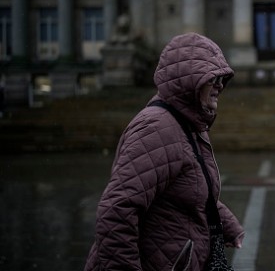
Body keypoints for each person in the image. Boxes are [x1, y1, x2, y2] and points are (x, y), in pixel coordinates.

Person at [84, 33, 244, 271]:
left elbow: (189, 190)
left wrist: (226, 223)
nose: (220, 86)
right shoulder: (157, 128)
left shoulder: (187, 124)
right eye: (213, 78)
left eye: (222, 79)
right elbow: (117, 211)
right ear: (190, 80)